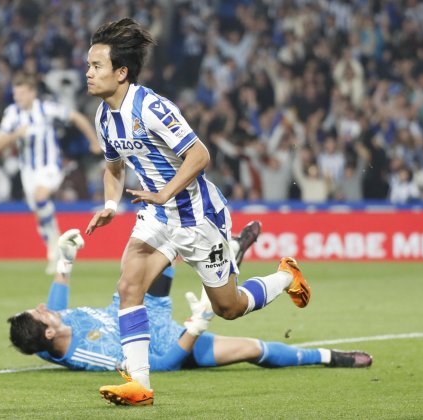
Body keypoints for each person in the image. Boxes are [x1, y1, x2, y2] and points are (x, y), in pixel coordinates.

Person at [84, 18, 311, 405]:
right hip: (157, 217)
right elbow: (114, 168)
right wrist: (109, 204)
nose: (87, 73)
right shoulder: (104, 117)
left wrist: (164, 194)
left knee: (229, 307)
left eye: (96, 66)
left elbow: (199, 154)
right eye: (88, 65)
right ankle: (140, 384)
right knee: (129, 285)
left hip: (196, 217)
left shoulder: (151, 107)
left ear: (121, 72)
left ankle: (285, 277)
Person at [8, 229, 372, 406]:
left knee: (162, 240)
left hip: (138, 303)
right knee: (253, 349)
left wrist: (65, 261)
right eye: (39, 314)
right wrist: (197, 325)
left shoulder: (48, 336)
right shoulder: (93, 355)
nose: (43, 307)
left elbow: (52, 308)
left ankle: (225, 258)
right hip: (169, 343)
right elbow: (163, 364)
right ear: (49, 332)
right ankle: (329, 356)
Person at [0, 74, 101, 274]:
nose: (18, 97)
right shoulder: (12, 113)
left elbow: (76, 117)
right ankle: (55, 250)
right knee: (39, 214)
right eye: (16, 94)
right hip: (28, 171)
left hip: (50, 166)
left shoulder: (46, 108)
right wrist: (16, 134)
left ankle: (55, 245)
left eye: (22, 93)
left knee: (40, 197)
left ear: (32, 93)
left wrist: (93, 141)